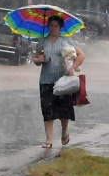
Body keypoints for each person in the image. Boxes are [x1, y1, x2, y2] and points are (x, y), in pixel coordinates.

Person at [33, 15, 85, 148]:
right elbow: (36, 59)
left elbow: (81, 55)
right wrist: (39, 60)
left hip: (63, 82)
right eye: (50, 26)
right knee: (47, 110)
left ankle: (64, 131)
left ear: (60, 28)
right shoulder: (42, 42)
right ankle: (49, 140)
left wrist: (72, 68)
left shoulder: (66, 42)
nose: (53, 28)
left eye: (56, 26)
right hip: (46, 80)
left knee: (64, 110)